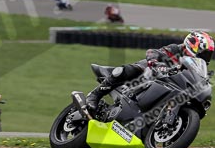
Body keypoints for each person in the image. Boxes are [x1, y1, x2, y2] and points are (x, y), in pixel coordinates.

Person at [85, 30, 215, 114]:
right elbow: (153, 52)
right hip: (148, 74)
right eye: (204, 52)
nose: (205, 57)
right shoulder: (177, 49)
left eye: (208, 54)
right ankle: (94, 95)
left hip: (166, 86)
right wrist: (155, 63)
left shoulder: (196, 65)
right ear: (193, 45)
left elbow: (197, 79)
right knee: (129, 70)